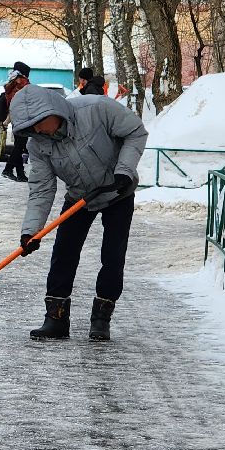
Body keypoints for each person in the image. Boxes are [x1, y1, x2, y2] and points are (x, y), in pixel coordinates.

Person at [9, 83, 147, 342]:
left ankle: (101, 319)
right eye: (30, 127)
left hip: (118, 191)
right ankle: (56, 319)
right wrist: (31, 231)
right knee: (63, 253)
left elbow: (135, 131)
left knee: (112, 256)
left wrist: (124, 170)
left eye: (38, 123)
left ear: (53, 110)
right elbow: (41, 189)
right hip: (80, 197)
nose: (37, 130)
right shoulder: (38, 145)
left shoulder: (97, 109)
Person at [0, 61, 31, 182]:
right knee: (20, 145)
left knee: (19, 145)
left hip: (15, 116)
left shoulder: (12, 82)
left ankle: (20, 174)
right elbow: (29, 98)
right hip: (22, 117)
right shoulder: (22, 82)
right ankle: (8, 169)